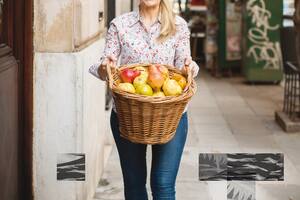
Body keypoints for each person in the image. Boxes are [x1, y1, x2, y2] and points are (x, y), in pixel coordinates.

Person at [89, 0, 199, 199]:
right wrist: (106, 67)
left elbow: (184, 65)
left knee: (163, 185)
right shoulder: (119, 25)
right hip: (128, 115)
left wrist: (188, 69)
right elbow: (105, 65)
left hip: (170, 117)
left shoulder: (178, 25)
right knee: (134, 186)